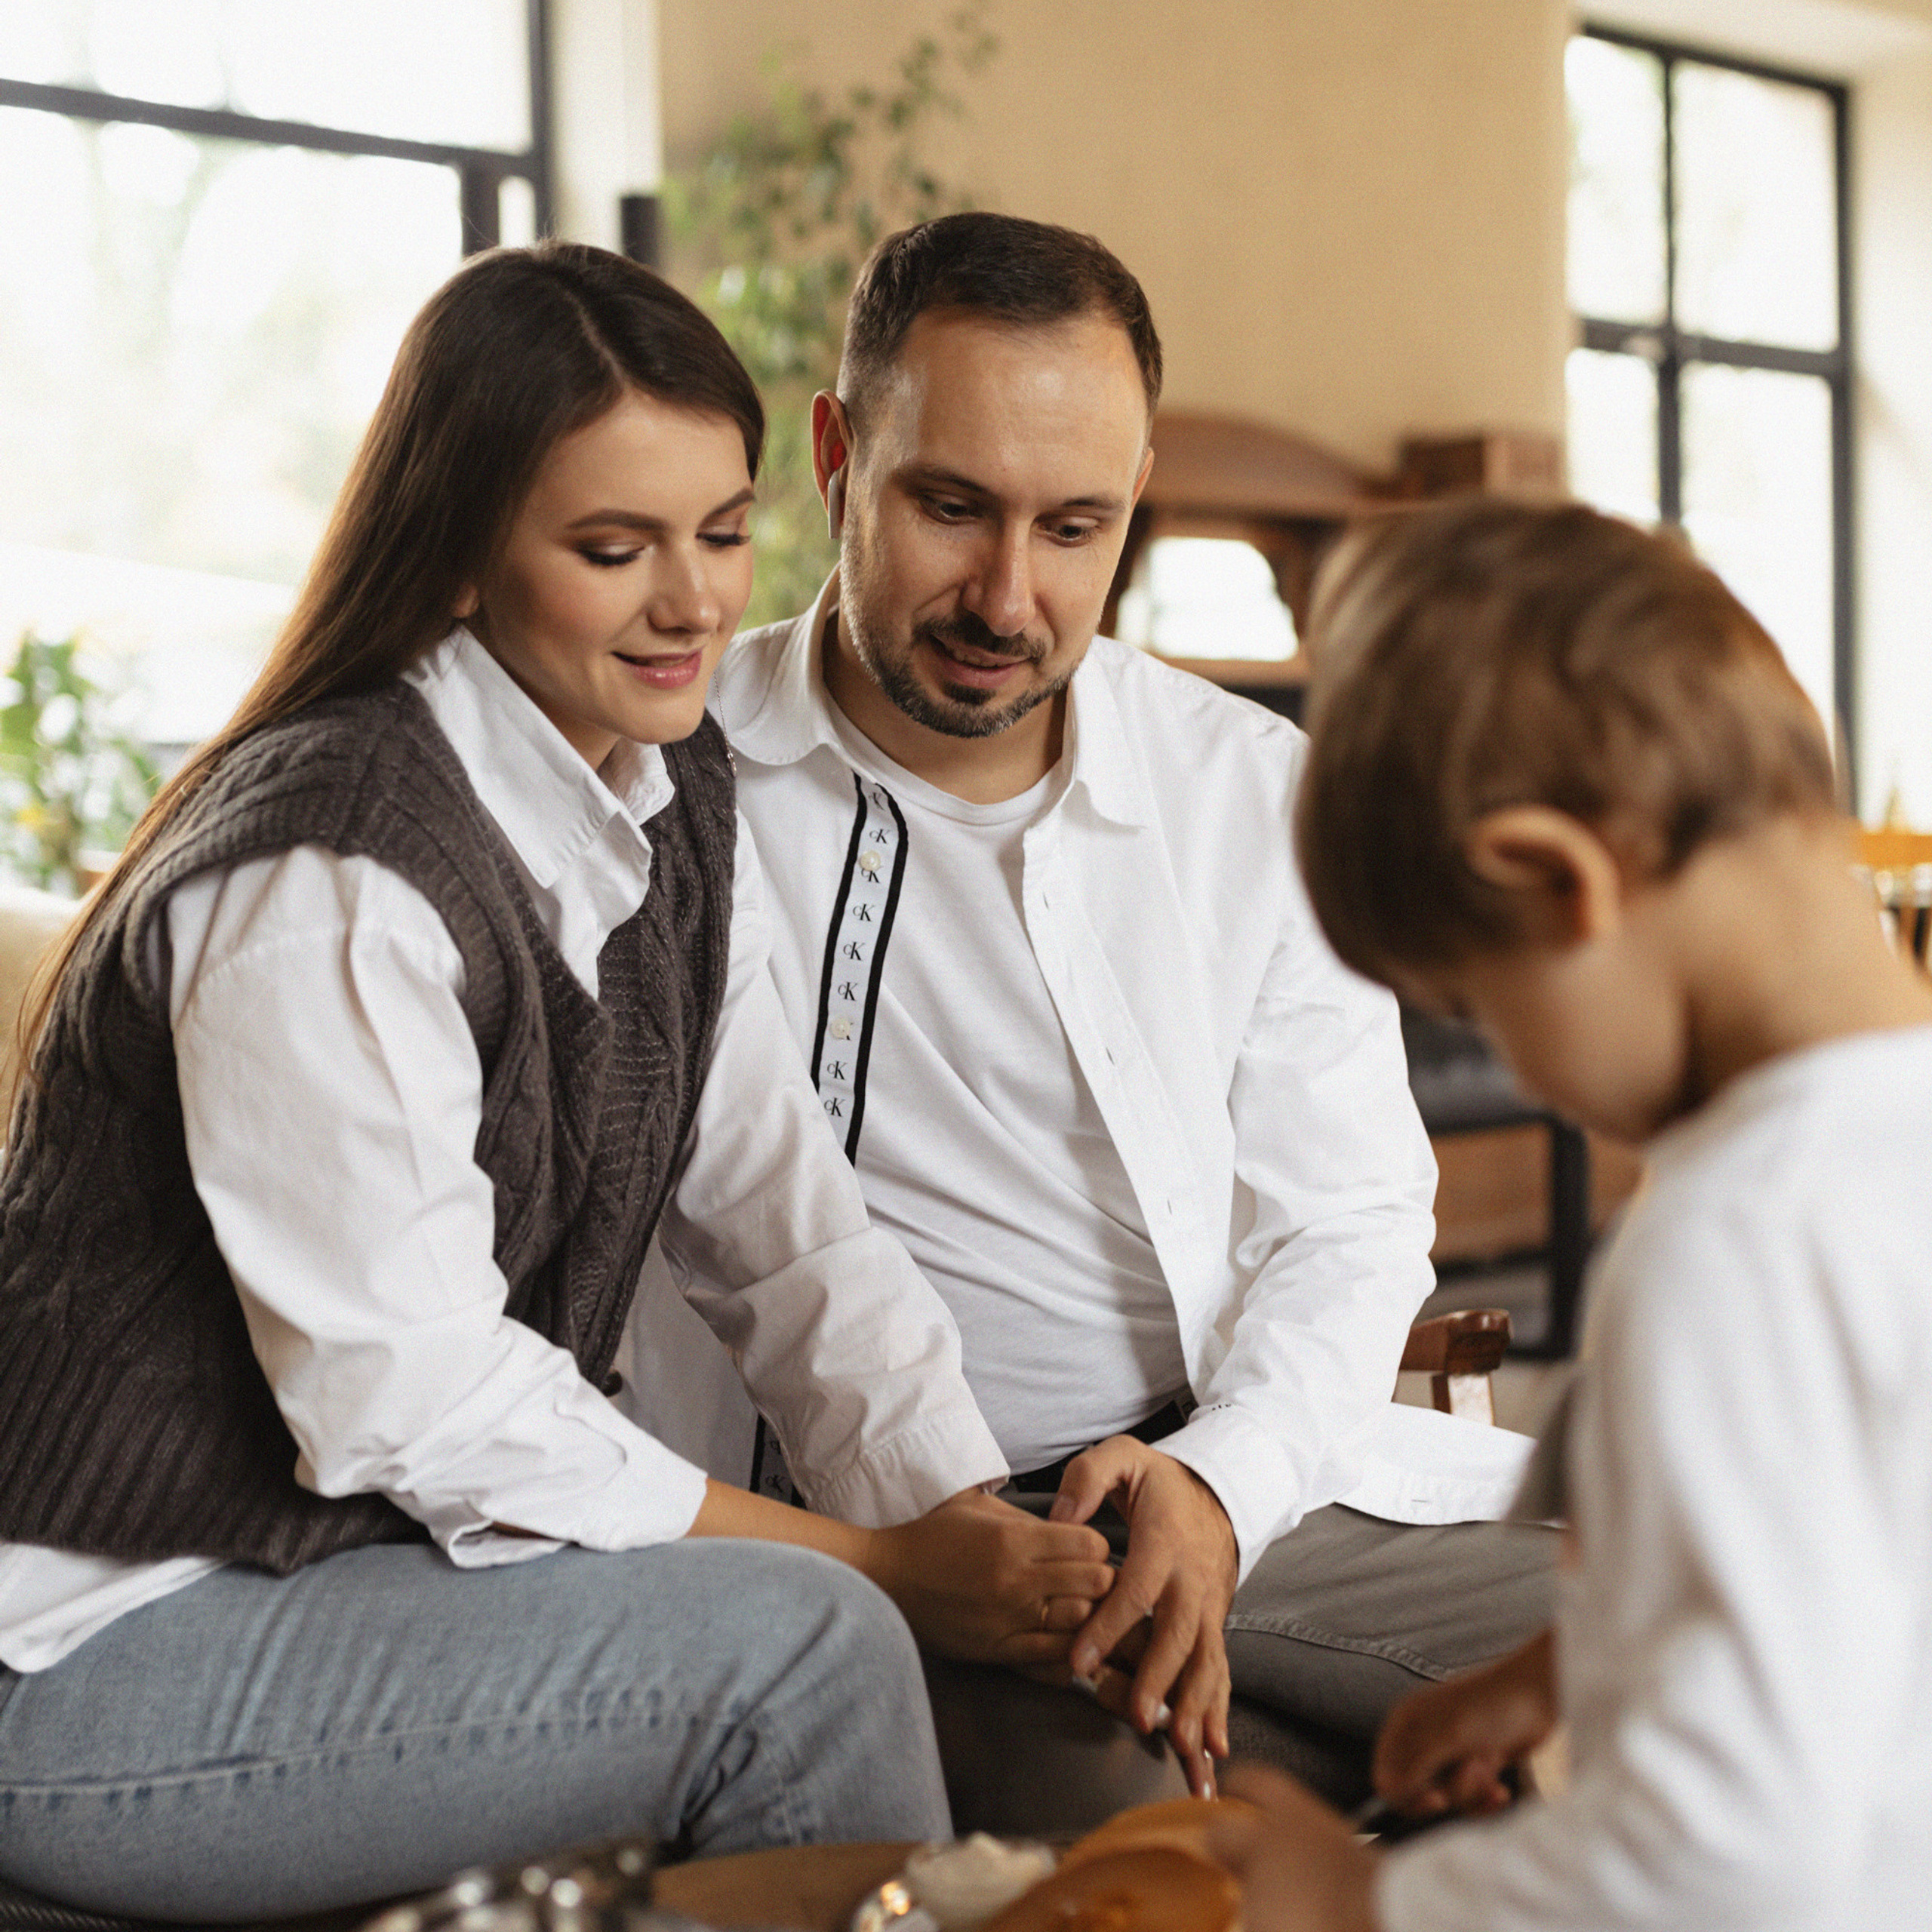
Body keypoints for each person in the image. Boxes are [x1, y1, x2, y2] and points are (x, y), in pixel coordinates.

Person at [0, 242, 1118, 1922]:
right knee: (798, 1642)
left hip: (324, 1590)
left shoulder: (662, 792)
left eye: (724, 530)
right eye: (614, 547)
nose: (694, 603)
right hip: (90, 1655)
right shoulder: (333, 869)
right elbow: (413, 1394)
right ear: (459, 552)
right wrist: (882, 1569)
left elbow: (783, 1218)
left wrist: (969, 1528)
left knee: (872, 1615)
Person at [654, 211, 1553, 1827]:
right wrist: (971, 1546)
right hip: (897, 1539)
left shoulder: (1245, 790)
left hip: (1238, 1474)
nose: (1010, 593)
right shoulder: (670, 780)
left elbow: (1349, 1219)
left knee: (1757, 1647)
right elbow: (774, 1252)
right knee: (1125, 1854)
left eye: (1077, 526)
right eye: (951, 507)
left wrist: (1216, 1486)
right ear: (836, 456)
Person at [1211, 498, 1932, 1932]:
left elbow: (1733, 1857)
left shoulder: (1732, 1241)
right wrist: (1556, 1673)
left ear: (1558, 878)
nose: (1514, 1060)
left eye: (1475, 1002)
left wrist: (1357, 1902)